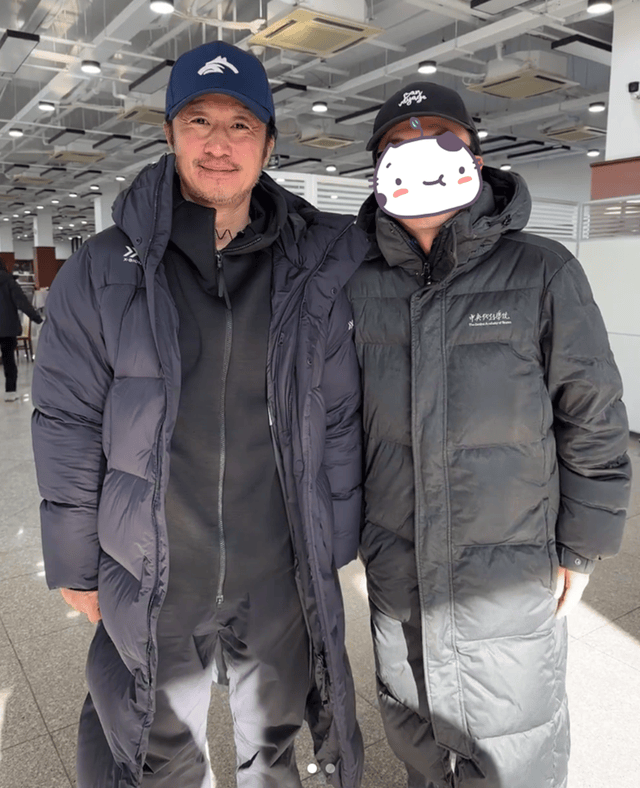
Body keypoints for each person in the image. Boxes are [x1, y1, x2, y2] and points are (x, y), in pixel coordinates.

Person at [31, 40, 367, 788]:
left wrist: (334, 541)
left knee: (274, 746)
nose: (219, 143)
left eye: (240, 125)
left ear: (269, 143)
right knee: (159, 752)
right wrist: (75, 562)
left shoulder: (312, 266)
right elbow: (67, 421)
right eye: (199, 121)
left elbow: (337, 412)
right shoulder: (104, 268)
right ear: (170, 134)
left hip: (275, 567)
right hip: (155, 569)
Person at [346, 82, 631, 788]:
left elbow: (591, 409)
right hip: (398, 556)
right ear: (378, 167)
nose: (420, 153)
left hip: (509, 559)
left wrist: (583, 544)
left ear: (474, 156)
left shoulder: (541, 270)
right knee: (412, 723)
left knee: (514, 736)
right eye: (399, 143)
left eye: (440, 137)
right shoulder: (356, 281)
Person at [0, 257, 42, 401]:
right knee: (9, 360)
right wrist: (36, 318)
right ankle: (10, 392)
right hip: (7, 328)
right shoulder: (9, 281)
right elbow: (22, 302)